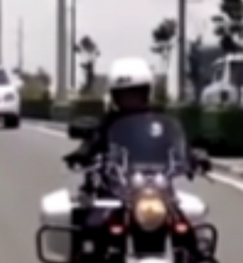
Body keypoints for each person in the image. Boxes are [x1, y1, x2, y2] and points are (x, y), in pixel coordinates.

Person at [63, 56, 211, 175]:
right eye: (124, 94)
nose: (130, 99)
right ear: (115, 96)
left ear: (146, 93)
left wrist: (194, 156)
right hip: (115, 185)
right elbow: (93, 142)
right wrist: (82, 153)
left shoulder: (159, 122)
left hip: (158, 183)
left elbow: (175, 142)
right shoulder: (109, 123)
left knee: (189, 203)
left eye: (136, 93)